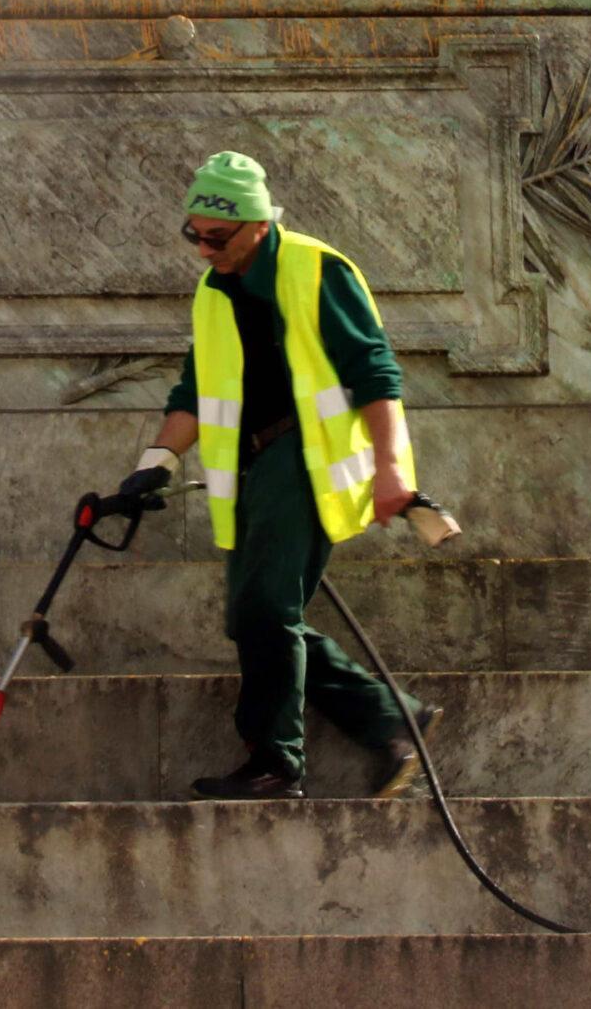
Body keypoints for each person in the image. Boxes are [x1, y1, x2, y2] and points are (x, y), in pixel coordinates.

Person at [114, 152, 436, 800]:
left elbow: (376, 370)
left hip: (305, 457)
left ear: (258, 224)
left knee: (266, 609)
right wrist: (155, 463)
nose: (203, 249)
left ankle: (276, 761)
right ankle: (389, 717)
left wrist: (390, 467)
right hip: (251, 467)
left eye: (217, 237)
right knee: (255, 617)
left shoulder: (317, 269)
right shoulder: (213, 292)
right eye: (194, 234)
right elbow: (196, 388)